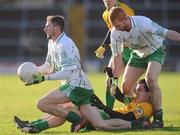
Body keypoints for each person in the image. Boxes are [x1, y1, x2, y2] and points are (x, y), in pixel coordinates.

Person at [13, 15, 151, 134]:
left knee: (42, 104)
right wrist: (35, 72)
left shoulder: (65, 44)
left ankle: (79, 120)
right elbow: (48, 66)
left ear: (56, 28)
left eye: (47, 26)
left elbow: (68, 72)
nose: (44, 29)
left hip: (76, 86)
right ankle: (137, 125)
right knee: (100, 124)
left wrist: (43, 78)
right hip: (81, 88)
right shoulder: (52, 43)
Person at [108, 7, 180, 128]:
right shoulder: (115, 33)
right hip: (137, 54)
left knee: (150, 79)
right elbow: (117, 59)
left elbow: (167, 33)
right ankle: (138, 113)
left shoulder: (143, 22)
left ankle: (158, 119)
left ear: (125, 19)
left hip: (156, 50)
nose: (116, 28)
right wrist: (114, 81)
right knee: (126, 88)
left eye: (118, 25)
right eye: (114, 26)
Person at [71, 78, 153, 132]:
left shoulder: (146, 106)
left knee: (82, 107)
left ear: (148, 93)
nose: (136, 92)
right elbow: (117, 95)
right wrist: (112, 78)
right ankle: (84, 122)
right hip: (109, 115)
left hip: (111, 117)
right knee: (83, 109)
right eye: (136, 90)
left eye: (140, 90)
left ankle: (83, 121)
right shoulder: (135, 100)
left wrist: (104, 107)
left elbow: (126, 117)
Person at [95, 0, 135, 109]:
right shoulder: (105, 14)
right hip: (118, 51)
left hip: (132, 50)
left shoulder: (125, 10)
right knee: (109, 82)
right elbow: (112, 30)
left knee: (130, 87)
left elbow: (133, 27)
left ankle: (134, 112)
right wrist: (104, 46)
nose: (107, 0)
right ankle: (109, 111)